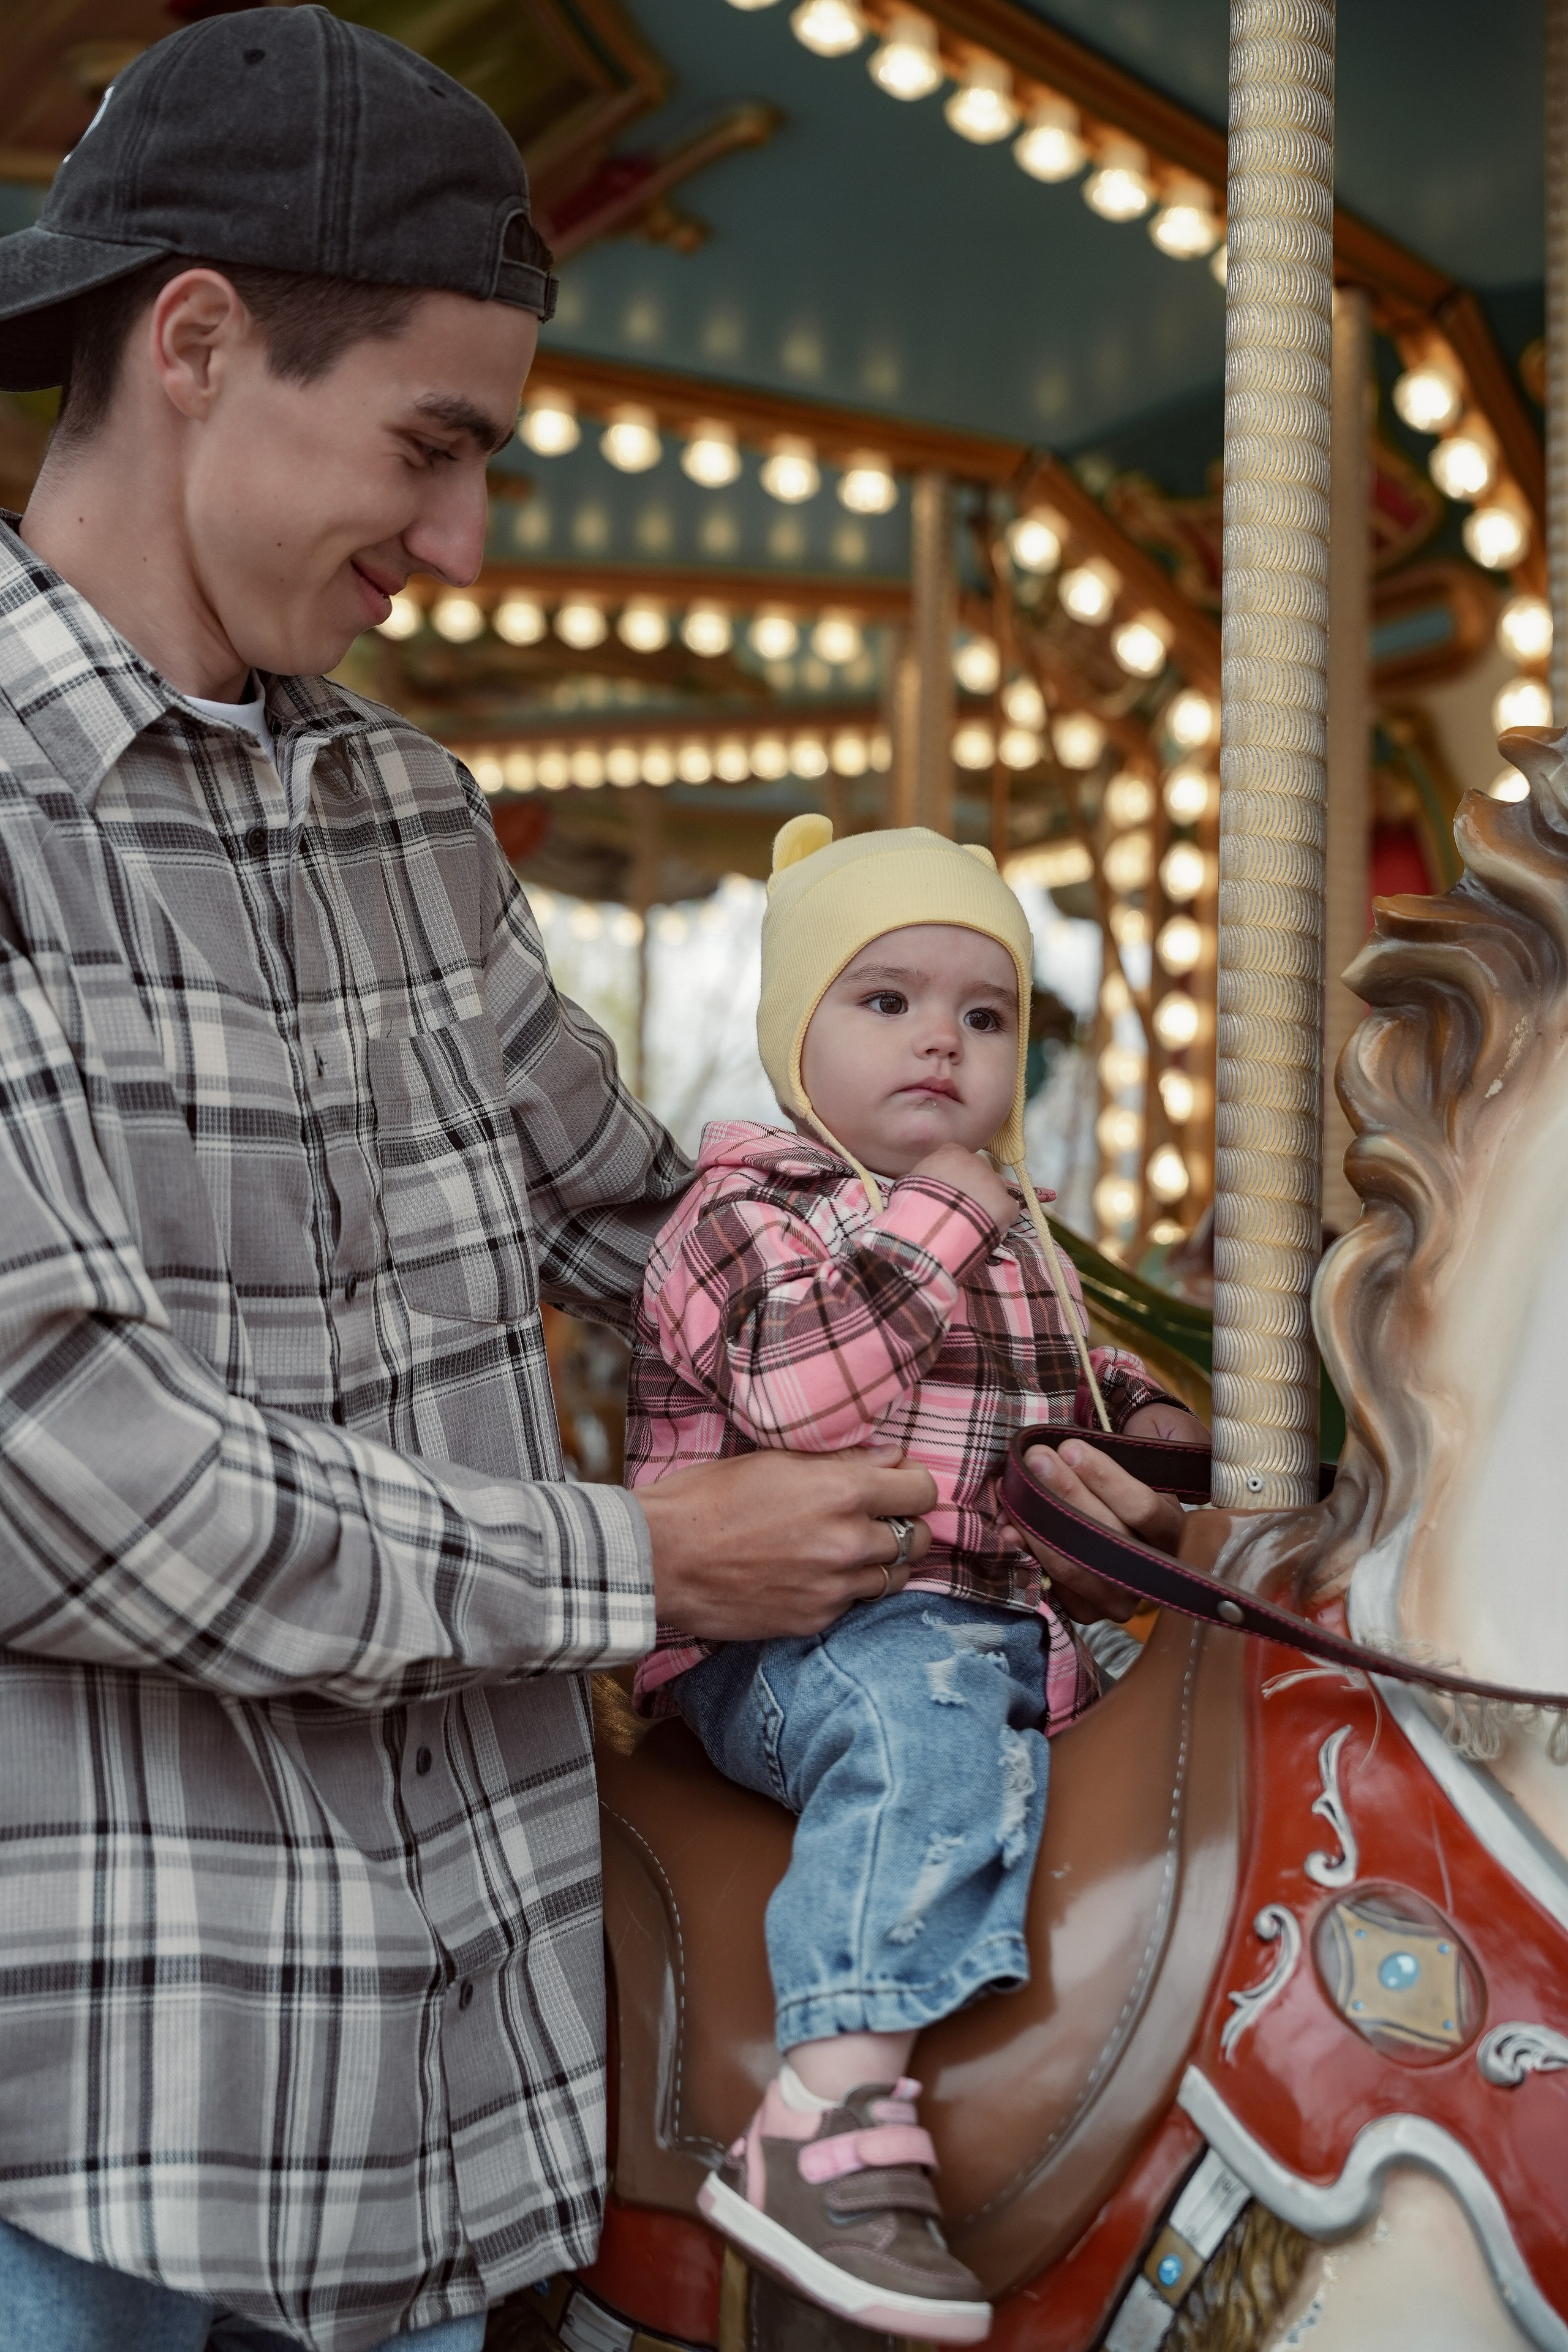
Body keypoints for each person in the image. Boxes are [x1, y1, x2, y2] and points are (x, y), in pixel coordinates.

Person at [0, 16, 944, 2351]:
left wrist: (962, 1320)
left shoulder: (404, 814)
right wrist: (643, 1554)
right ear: (196, 342)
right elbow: (69, 1469)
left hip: (482, 2093)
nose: (461, 545)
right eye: (432, 450)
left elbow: (637, 1217)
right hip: (117, 2132)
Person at [624, 817, 1207, 2340]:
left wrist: (1169, 1451)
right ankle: (823, 2111)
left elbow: (1101, 1387)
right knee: (918, 1711)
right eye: (884, 1000)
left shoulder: (1027, 1246)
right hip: (792, 1645)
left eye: (984, 1012)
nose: (940, 1041)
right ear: (791, 1029)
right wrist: (949, 1212)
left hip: (988, 1631)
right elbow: (804, 1399)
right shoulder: (742, 1213)